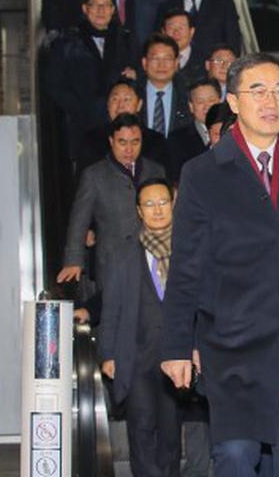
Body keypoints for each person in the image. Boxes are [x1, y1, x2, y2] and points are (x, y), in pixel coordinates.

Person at [160, 52, 279, 477]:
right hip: (231, 343)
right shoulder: (203, 172)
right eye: (257, 91)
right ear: (235, 102)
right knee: (236, 457)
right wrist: (177, 345)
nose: (270, 101)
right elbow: (186, 266)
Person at [100, 177, 183, 477]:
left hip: (178, 356)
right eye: (149, 204)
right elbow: (111, 308)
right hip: (135, 355)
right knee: (142, 426)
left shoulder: (189, 250)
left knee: (171, 431)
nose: (157, 210)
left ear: (174, 204)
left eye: (163, 202)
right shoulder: (124, 254)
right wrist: (107, 354)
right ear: (138, 211)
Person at [57, 113, 165, 288]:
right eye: (122, 142)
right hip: (112, 262)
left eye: (135, 142)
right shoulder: (94, 175)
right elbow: (79, 220)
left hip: (153, 260)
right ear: (111, 141)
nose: (129, 149)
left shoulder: (156, 171)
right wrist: (73, 260)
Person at [45, 0, 133, 166]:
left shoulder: (126, 39)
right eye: (95, 5)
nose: (101, 10)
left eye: (106, 5)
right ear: (85, 9)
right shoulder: (66, 42)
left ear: (113, 9)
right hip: (81, 127)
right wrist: (81, 109)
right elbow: (54, 85)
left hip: (121, 128)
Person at [136, 33, 193, 165]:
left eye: (167, 59)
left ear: (176, 63)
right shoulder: (132, 94)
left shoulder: (188, 94)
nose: (161, 65)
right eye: (155, 58)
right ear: (144, 63)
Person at [165, 79, 220, 182]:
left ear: (220, 101)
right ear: (191, 106)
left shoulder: (233, 135)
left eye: (211, 100)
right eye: (200, 102)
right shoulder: (176, 139)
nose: (206, 107)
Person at [160, 10, 205, 87]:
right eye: (171, 28)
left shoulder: (204, 59)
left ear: (191, 31)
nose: (176, 32)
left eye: (181, 28)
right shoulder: (152, 58)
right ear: (163, 32)